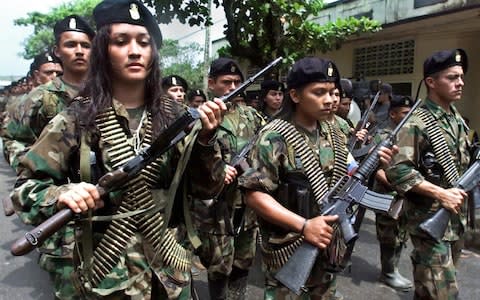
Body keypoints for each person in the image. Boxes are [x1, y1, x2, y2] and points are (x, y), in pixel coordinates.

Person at [11, 0, 227, 298]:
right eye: (121, 42)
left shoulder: (176, 117)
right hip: (108, 277)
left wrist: (206, 142)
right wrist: (63, 194)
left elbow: (207, 189)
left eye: (144, 42)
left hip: (169, 273)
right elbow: (25, 189)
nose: (135, 50)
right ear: (102, 51)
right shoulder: (77, 119)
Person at [238, 57, 395, 299]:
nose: (330, 99)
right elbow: (255, 195)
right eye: (319, 92)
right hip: (289, 249)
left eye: (333, 92)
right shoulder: (274, 137)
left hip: (327, 247)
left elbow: (348, 174)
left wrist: (375, 162)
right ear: (295, 95)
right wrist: (304, 225)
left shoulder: (336, 131)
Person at [386, 48, 471, 299]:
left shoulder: (456, 119)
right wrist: (440, 193)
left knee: (427, 291)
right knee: (444, 294)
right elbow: (397, 170)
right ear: (431, 82)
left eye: (461, 77)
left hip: (455, 221)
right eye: (452, 77)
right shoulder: (417, 122)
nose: (460, 83)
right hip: (429, 222)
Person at [192, 57, 265, 299]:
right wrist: (218, 168)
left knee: (244, 259)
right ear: (212, 84)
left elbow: (267, 148)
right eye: (226, 82)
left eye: (237, 82)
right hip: (216, 208)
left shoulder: (252, 116)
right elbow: (190, 161)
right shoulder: (200, 118)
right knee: (219, 264)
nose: (233, 87)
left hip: (247, 202)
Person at [2, 14, 95, 170]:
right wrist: (32, 168)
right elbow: (13, 139)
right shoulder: (39, 96)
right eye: (71, 45)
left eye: (86, 46)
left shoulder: (105, 93)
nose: (79, 51)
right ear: (57, 51)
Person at [372, 95, 414, 291]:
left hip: (404, 195)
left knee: (401, 234)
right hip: (386, 195)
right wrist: (396, 184)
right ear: (393, 114)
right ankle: (387, 273)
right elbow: (376, 170)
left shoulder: (409, 134)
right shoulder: (382, 136)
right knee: (388, 235)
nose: (409, 116)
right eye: (405, 113)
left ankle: (393, 269)